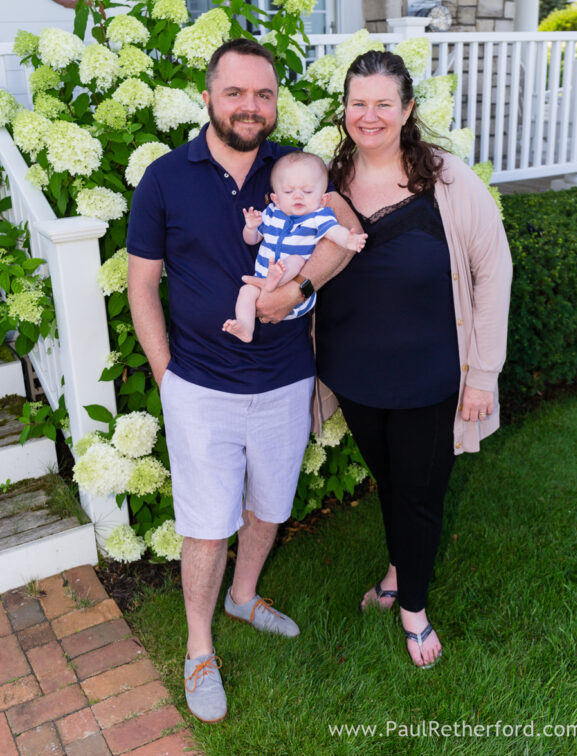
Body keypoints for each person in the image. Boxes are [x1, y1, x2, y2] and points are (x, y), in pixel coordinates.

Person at [126, 39, 356, 722]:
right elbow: (142, 285)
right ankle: (199, 649)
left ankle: (244, 595)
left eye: (263, 94)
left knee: (270, 507)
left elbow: (345, 231)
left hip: (284, 379)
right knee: (205, 527)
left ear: (275, 101)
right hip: (200, 385)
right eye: (235, 92)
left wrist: (300, 289)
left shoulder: (293, 171)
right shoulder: (166, 178)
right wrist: (166, 376)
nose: (250, 106)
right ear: (207, 97)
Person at [315, 49, 512, 669]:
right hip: (354, 374)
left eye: (383, 103)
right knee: (393, 481)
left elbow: (494, 270)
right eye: (358, 103)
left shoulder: (447, 181)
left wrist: (482, 375)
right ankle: (400, 569)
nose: (369, 115)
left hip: (431, 376)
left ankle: (414, 611)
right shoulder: (326, 181)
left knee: (421, 493)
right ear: (344, 109)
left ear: (407, 110)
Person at [223, 151, 367, 342]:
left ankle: (274, 280)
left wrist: (348, 240)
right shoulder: (271, 213)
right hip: (262, 286)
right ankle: (245, 327)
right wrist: (251, 227)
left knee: (295, 260)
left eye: (307, 192)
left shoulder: (318, 216)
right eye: (288, 192)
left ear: (323, 199)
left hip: (294, 294)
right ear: (275, 199)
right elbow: (252, 240)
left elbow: (334, 231)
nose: (298, 196)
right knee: (246, 292)